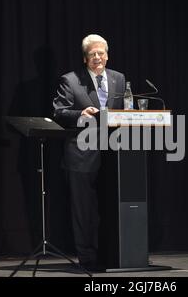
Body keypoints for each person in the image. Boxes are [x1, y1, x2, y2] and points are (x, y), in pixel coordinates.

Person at [53, 34, 126, 270]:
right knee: (84, 211)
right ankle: (87, 258)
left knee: (111, 207)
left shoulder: (118, 78)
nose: (97, 57)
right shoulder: (70, 80)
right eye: (92, 54)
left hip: (114, 154)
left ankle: (114, 254)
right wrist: (80, 114)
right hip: (81, 153)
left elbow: (123, 110)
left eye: (101, 53)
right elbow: (59, 112)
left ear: (107, 55)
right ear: (85, 59)